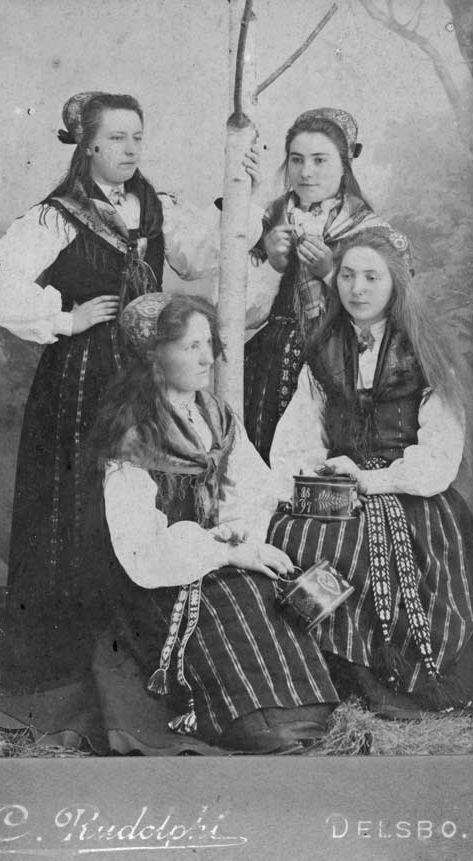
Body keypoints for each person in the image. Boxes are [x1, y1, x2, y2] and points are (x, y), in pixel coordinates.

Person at [0, 90, 268, 685]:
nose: (130, 149)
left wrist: (247, 197)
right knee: (79, 491)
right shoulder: (58, 215)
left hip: (147, 370)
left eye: (137, 137)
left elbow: (205, 256)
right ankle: (69, 646)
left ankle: (140, 635)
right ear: (87, 146)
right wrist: (66, 319)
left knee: (145, 489)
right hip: (82, 375)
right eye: (115, 138)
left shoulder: (157, 207)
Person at [82, 292, 338, 754]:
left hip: (209, 555)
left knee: (265, 584)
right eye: (191, 347)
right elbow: (139, 550)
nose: (208, 358)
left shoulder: (215, 415)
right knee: (235, 596)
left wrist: (240, 535)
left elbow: (253, 489)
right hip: (156, 581)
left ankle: (302, 712)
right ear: (154, 356)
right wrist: (223, 551)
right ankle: (255, 722)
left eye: (208, 344)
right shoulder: (134, 434)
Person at [268, 230, 473, 719]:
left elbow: (439, 456)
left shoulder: (425, 351)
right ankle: (327, 675)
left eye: (371, 277)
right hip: (336, 487)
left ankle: (384, 678)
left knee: (357, 549)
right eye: (347, 275)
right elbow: (297, 437)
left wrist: (371, 480)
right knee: (290, 538)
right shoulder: (323, 349)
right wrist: (321, 475)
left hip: (409, 492)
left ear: (396, 283)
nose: (357, 289)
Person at [244, 107, 412, 462]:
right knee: (262, 453)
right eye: (297, 160)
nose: (306, 172)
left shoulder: (370, 231)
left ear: (344, 165)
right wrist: (271, 260)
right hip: (271, 361)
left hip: (342, 359)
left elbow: (395, 306)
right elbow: (241, 308)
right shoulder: (268, 218)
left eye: (320, 160)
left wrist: (331, 273)